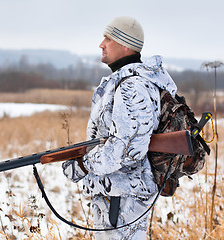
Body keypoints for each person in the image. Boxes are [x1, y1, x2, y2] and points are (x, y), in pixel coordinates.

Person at [62, 16, 177, 239]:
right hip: (115, 192)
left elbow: (125, 151)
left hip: (123, 198)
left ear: (125, 44)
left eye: (108, 38)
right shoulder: (123, 81)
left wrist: (84, 165)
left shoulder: (132, 87)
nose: (101, 44)